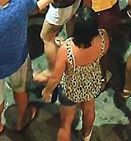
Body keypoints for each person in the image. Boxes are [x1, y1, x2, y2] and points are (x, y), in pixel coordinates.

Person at [39, 8, 110, 141]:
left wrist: (47, 91)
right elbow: (103, 56)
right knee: (89, 110)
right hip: (92, 82)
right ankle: (86, 135)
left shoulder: (67, 49)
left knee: (66, 123)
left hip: (70, 89)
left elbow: (55, 77)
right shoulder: (103, 38)